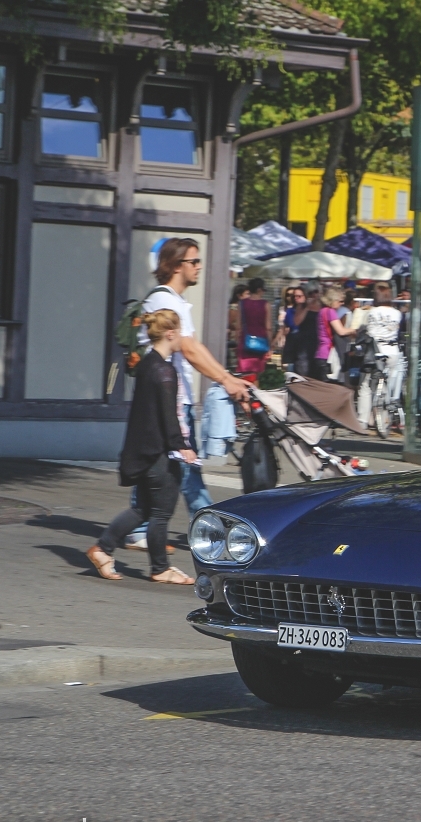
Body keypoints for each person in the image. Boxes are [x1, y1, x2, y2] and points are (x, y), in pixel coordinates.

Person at [121, 238, 248, 553]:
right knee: (187, 467)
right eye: (194, 261)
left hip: (170, 396)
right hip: (171, 399)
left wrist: (225, 377)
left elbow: (191, 348)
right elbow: (190, 350)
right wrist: (226, 379)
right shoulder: (167, 303)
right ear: (177, 265)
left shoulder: (172, 301)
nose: (199, 266)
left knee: (159, 465)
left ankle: (139, 529)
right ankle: (212, 534)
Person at [86, 309, 196, 586]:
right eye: (180, 331)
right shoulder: (165, 371)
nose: (182, 336)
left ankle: (102, 548)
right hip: (158, 452)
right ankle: (160, 568)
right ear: (170, 333)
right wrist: (182, 446)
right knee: (160, 512)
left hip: (142, 450)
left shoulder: (147, 364)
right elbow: (168, 414)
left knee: (143, 510)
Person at [357, 283, 406, 429]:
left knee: (366, 386)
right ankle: (383, 421)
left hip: (375, 351)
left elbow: (363, 329)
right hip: (392, 351)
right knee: (387, 386)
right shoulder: (397, 313)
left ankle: (363, 421)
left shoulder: (371, 312)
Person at [316, 285, 356, 380]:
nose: (342, 303)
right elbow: (341, 331)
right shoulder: (330, 312)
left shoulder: (322, 311)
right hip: (329, 355)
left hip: (320, 353)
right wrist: (354, 330)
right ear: (332, 300)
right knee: (331, 387)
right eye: (340, 301)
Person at [235, 278, 273, 374]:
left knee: (244, 373)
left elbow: (238, 326)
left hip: (245, 341)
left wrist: (237, 341)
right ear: (259, 290)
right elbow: (268, 327)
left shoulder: (242, 303)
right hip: (261, 342)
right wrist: (270, 345)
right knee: (258, 372)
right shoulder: (265, 304)